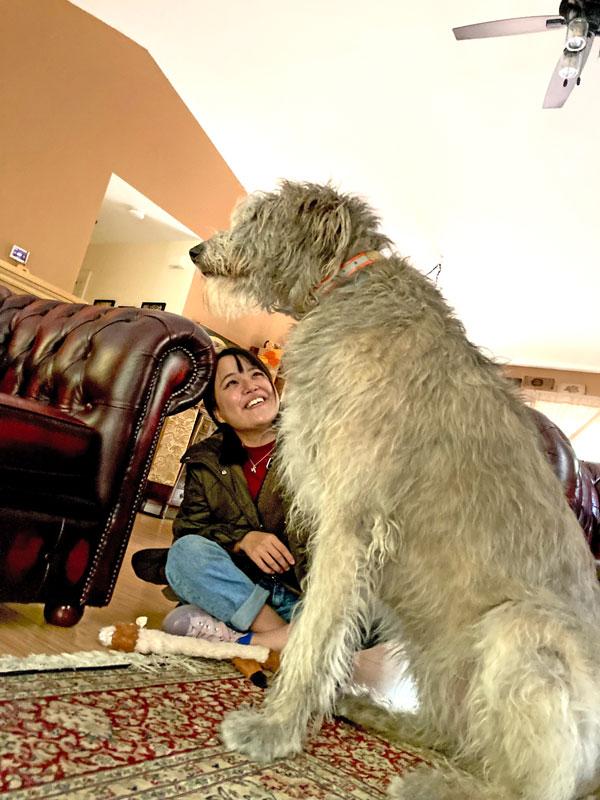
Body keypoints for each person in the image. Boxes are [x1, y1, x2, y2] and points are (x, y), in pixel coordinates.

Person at [134, 346, 304, 652]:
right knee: (186, 554)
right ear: (219, 413)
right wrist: (242, 539)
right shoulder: (207, 460)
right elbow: (189, 532)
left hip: (303, 594)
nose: (251, 385)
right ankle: (287, 641)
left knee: (373, 602)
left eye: (256, 374)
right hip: (245, 589)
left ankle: (242, 641)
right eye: (232, 383)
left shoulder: (314, 441)